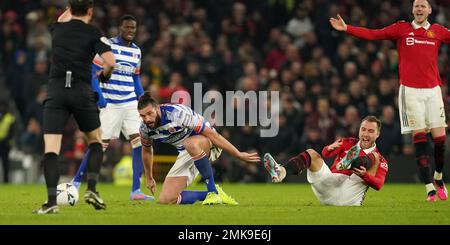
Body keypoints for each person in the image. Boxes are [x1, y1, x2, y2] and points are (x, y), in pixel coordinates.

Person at [329, 0, 449, 202]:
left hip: (433, 91)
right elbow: (374, 34)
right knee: (419, 140)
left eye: (423, 6)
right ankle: (429, 187)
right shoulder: (401, 28)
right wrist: (347, 28)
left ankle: (438, 177)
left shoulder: (438, 31)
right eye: (416, 6)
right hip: (410, 92)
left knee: (440, 141)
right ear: (412, 10)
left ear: (429, 10)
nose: (419, 9)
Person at [34, 0, 115, 214]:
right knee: (95, 141)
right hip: (81, 92)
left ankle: (51, 203)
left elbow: (62, 19)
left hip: (57, 92)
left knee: (51, 149)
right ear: (90, 11)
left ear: (70, 10)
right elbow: (111, 62)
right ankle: (92, 190)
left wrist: (71, 8)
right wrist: (104, 75)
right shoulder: (93, 32)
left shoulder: (57, 29)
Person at [71, 15, 154, 201]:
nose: (131, 31)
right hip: (111, 103)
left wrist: (143, 99)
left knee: (140, 143)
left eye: (133, 28)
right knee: (99, 145)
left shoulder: (137, 52)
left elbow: (135, 78)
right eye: (127, 27)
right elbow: (93, 73)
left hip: (130, 103)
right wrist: (99, 95)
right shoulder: (107, 46)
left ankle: (135, 191)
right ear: (120, 28)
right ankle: (75, 183)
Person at [138, 92, 260, 205]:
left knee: (190, 144)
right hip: (187, 151)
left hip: (209, 143)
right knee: (166, 199)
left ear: (157, 108)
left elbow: (212, 135)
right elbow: (147, 151)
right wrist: (149, 177)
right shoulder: (145, 129)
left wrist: (238, 154)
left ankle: (212, 190)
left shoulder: (177, 114)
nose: (147, 119)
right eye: (143, 116)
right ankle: (213, 194)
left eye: (150, 113)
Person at [264, 116, 388, 206]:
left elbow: (378, 185)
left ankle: (350, 163)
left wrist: (364, 175)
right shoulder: (347, 142)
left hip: (349, 196)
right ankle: (281, 172)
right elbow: (325, 154)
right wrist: (328, 148)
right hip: (330, 186)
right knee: (311, 153)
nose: (365, 134)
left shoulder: (381, 159)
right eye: (363, 129)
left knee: (374, 158)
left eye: (371, 131)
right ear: (359, 130)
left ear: (378, 134)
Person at [0, 100, 15, 183]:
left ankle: (6, 181)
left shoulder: (10, 118)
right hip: (3, 143)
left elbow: (11, 133)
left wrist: (4, 140)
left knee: (5, 164)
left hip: (5, 144)